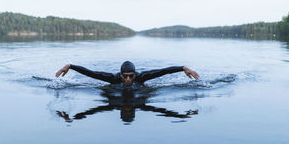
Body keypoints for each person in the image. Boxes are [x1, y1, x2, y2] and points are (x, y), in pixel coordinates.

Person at [55, 61, 199, 86]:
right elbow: (91, 73)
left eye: (131, 76)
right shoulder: (113, 79)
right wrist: (70, 66)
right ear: (120, 75)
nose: (129, 79)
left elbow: (163, 71)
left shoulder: (142, 77)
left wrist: (183, 68)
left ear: (135, 74)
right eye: (125, 76)